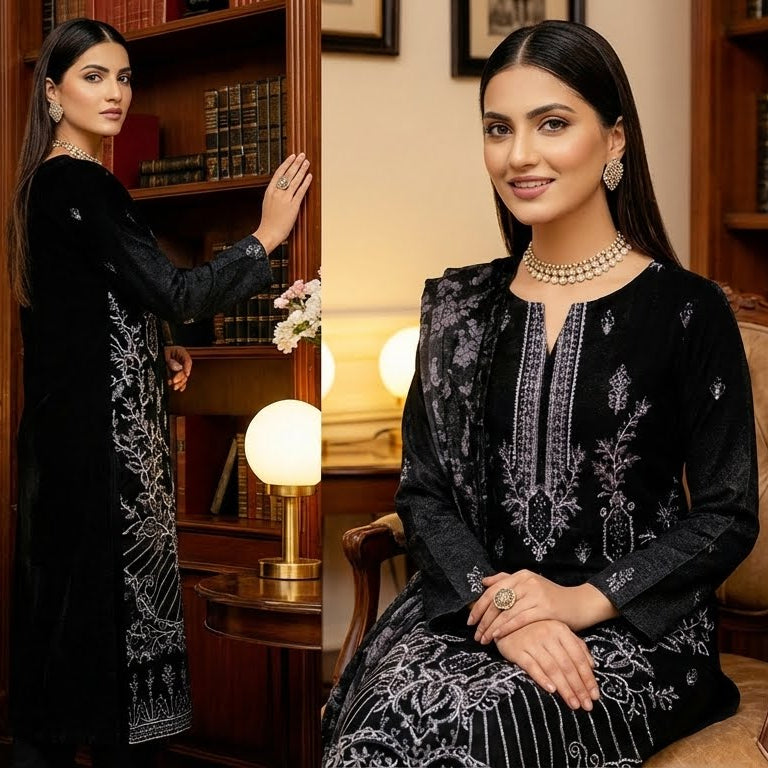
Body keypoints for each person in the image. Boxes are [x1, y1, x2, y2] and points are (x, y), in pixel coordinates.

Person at [322, 20, 758, 767]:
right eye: (499, 128)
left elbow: (726, 514)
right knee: (388, 719)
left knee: (483, 730)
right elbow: (423, 495)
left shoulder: (687, 311)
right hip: (475, 612)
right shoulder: (460, 309)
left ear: (614, 140)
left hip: (633, 629)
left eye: (551, 124)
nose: (519, 154)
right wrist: (507, 609)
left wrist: (578, 600)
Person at [6, 18, 311, 768]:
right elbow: (176, 289)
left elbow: (83, 312)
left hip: (67, 451)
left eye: (125, 77)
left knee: (66, 661)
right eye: (94, 76)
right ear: (53, 92)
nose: (116, 93)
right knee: (91, 666)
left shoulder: (48, 187)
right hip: (95, 465)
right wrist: (266, 237)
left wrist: (150, 343)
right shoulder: (78, 181)